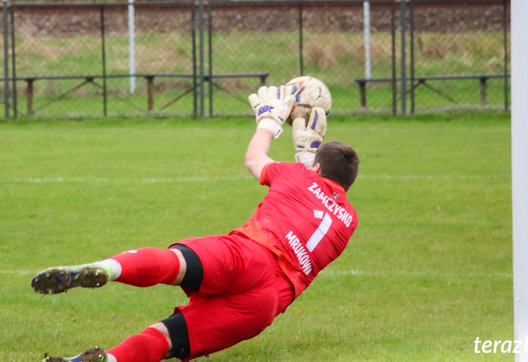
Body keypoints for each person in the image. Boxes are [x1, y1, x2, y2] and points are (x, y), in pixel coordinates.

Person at [33, 85, 359, 362]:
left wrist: (270, 120)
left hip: (249, 256)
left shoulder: (297, 175)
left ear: (315, 168)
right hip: (266, 302)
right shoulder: (349, 222)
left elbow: (255, 159)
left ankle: (106, 268)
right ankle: (112, 359)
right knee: (166, 338)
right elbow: (318, 192)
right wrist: (308, 153)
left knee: (173, 263)